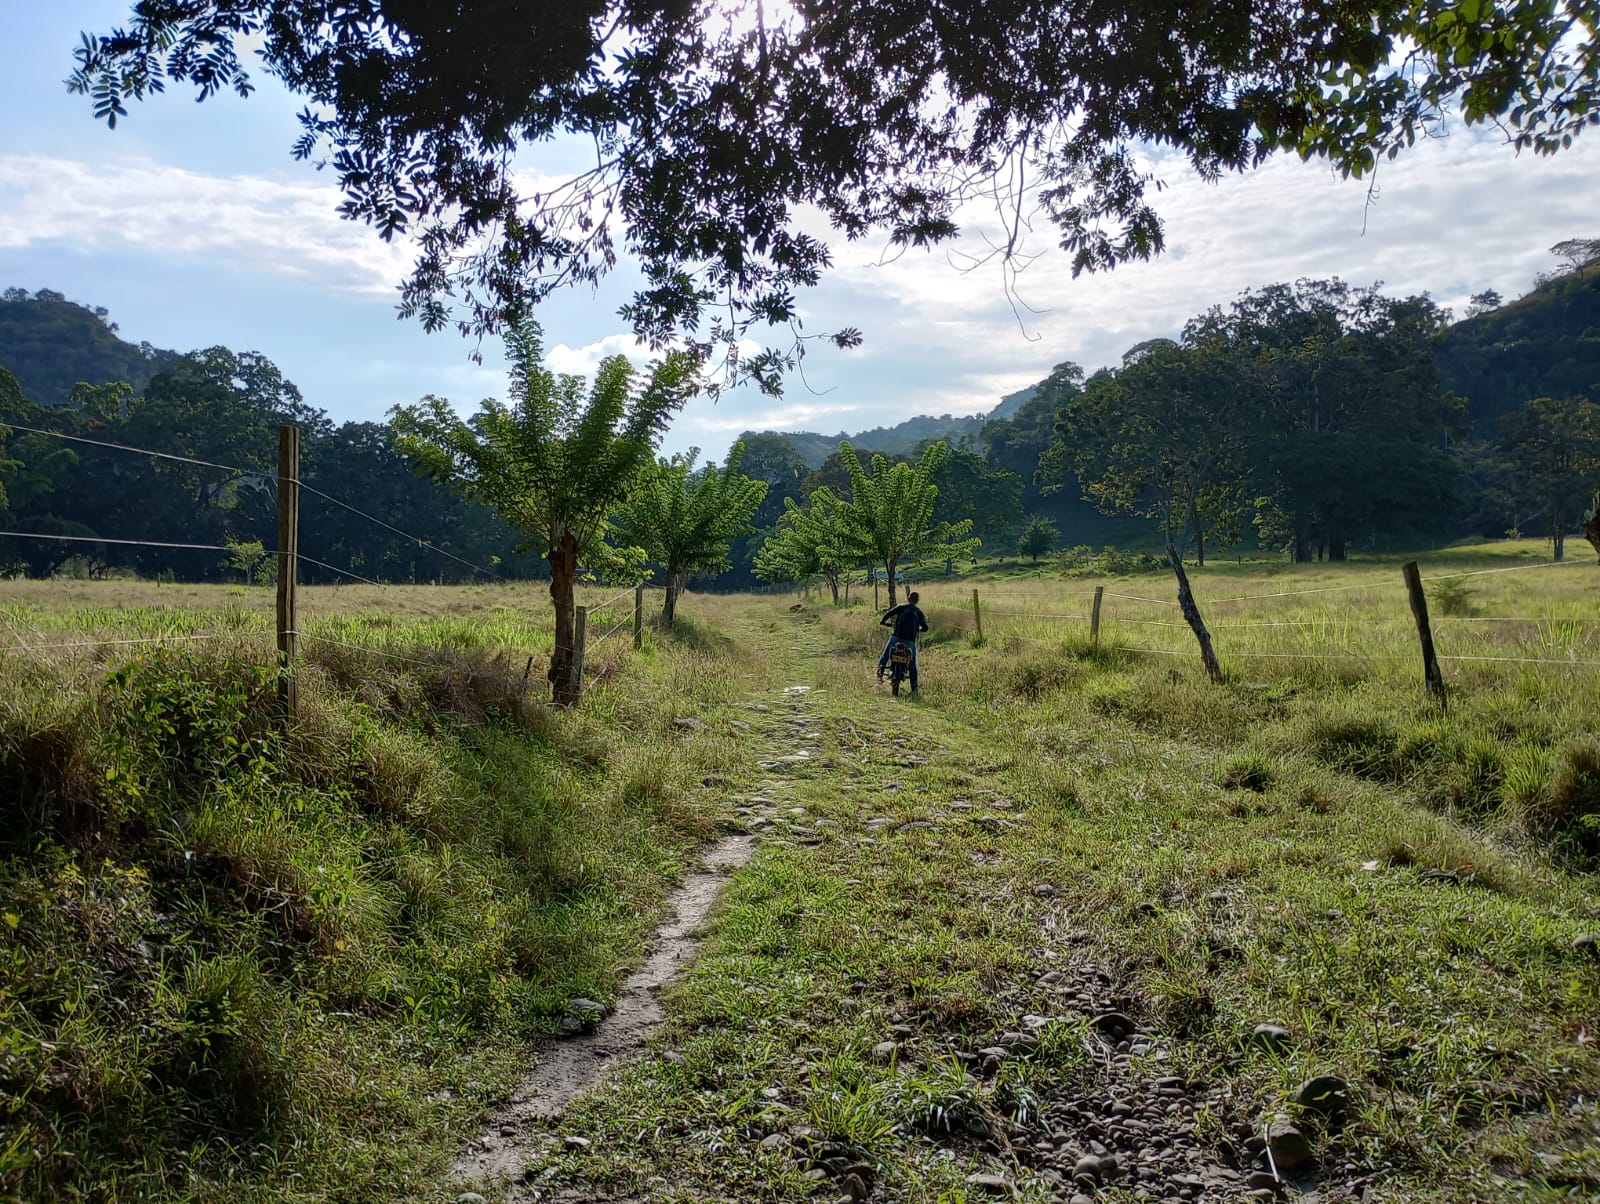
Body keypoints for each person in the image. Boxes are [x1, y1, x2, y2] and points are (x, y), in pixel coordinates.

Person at [877, 590, 929, 691]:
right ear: (917, 601)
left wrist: (883, 622)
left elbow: (888, 614)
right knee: (913, 663)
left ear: (908, 599)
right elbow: (925, 628)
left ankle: (879, 678)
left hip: (896, 637)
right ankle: (914, 689)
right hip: (910, 641)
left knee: (885, 656)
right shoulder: (918, 612)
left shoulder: (901, 607)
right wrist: (919, 629)